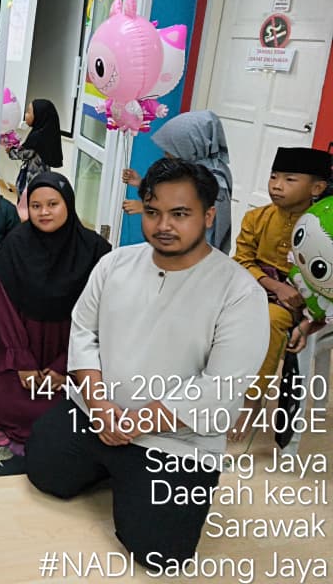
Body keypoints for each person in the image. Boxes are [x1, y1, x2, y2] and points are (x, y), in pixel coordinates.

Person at [25, 158, 268, 569]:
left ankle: (130, 475)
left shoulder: (240, 293)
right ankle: (116, 470)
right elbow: (83, 332)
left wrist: (136, 423)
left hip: (176, 439)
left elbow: (221, 385)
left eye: (180, 214)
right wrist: (99, 407)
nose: (163, 225)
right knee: (45, 472)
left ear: (209, 216)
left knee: (161, 553)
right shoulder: (115, 263)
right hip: (96, 415)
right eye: (153, 212)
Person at [0, 173, 111, 443]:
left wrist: (66, 366)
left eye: (53, 204)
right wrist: (22, 361)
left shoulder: (95, 251)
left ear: (68, 204)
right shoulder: (14, 246)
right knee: (7, 404)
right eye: (36, 206)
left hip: (72, 347)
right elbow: (4, 308)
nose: (44, 212)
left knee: (77, 406)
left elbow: (102, 315)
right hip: (22, 345)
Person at [230, 146, 331, 439]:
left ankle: (253, 400)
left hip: (305, 302)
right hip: (257, 287)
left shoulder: (322, 225)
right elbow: (242, 261)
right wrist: (274, 285)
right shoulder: (256, 218)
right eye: (274, 176)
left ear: (316, 188)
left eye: (289, 179)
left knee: (270, 319)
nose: (276, 185)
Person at [120, 110, 234, 254]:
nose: (166, 154)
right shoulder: (198, 169)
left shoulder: (215, 182)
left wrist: (147, 209)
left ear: (191, 146)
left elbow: (194, 222)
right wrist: (140, 183)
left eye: (171, 149)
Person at [8, 99, 63, 199]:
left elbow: (24, 153)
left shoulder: (37, 137)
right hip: (44, 177)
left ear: (39, 115)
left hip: (33, 178)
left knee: (28, 200)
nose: (26, 115)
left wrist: (10, 151)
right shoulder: (46, 134)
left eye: (29, 112)